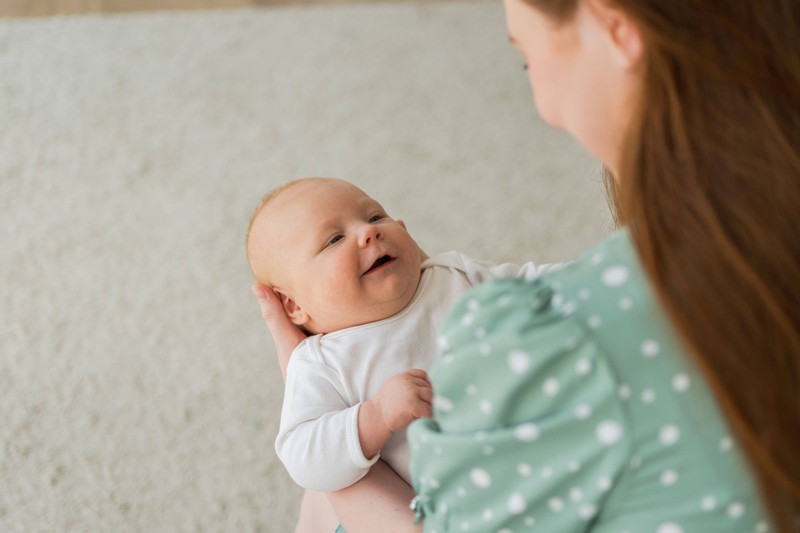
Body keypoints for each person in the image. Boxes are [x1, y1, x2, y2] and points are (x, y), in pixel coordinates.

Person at [403, 0, 799, 532]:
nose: (543, 104)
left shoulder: (560, 346)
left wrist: (341, 469)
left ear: (615, 27)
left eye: (528, 59)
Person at [247, 177, 556, 532]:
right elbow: (304, 457)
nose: (368, 232)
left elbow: (537, 283)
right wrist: (375, 417)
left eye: (376, 216)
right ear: (293, 305)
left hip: (538, 461)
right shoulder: (321, 361)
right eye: (334, 239)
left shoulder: (452, 275)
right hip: (450, 512)